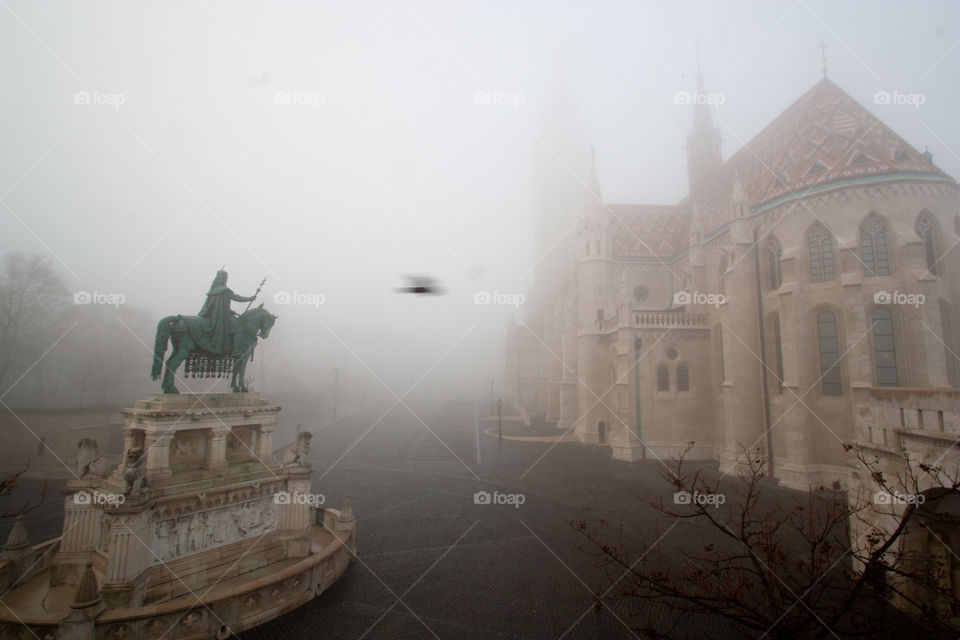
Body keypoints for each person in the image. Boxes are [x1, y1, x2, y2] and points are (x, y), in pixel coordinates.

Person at [197, 270, 256, 354]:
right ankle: (236, 350)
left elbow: (213, 305)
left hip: (210, 315)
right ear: (223, 278)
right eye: (225, 278)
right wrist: (250, 298)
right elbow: (237, 298)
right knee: (238, 327)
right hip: (220, 317)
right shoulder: (224, 290)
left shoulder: (213, 290)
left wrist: (230, 311)